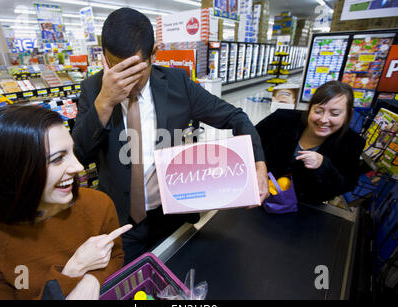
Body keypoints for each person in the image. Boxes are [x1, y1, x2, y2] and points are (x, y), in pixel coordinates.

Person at [72, 8, 269, 264]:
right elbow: (78, 154)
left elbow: (236, 117)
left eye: (135, 71)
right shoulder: (92, 89)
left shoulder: (177, 83)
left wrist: (259, 164)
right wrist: (104, 103)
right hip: (119, 221)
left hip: (171, 213)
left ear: (154, 53)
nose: (124, 82)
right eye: (116, 69)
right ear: (104, 57)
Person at [0, 105, 132, 299]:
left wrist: (93, 279)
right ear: (13, 171)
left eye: (72, 152)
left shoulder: (98, 204)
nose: (78, 167)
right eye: (57, 159)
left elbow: (116, 257)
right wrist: (74, 271)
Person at [256, 80, 366, 203]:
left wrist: (323, 165)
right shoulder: (282, 119)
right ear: (310, 108)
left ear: (348, 114)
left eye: (334, 114)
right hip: (258, 195)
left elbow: (344, 186)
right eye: (318, 111)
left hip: (303, 208)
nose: (324, 119)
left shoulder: (351, 143)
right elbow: (250, 142)